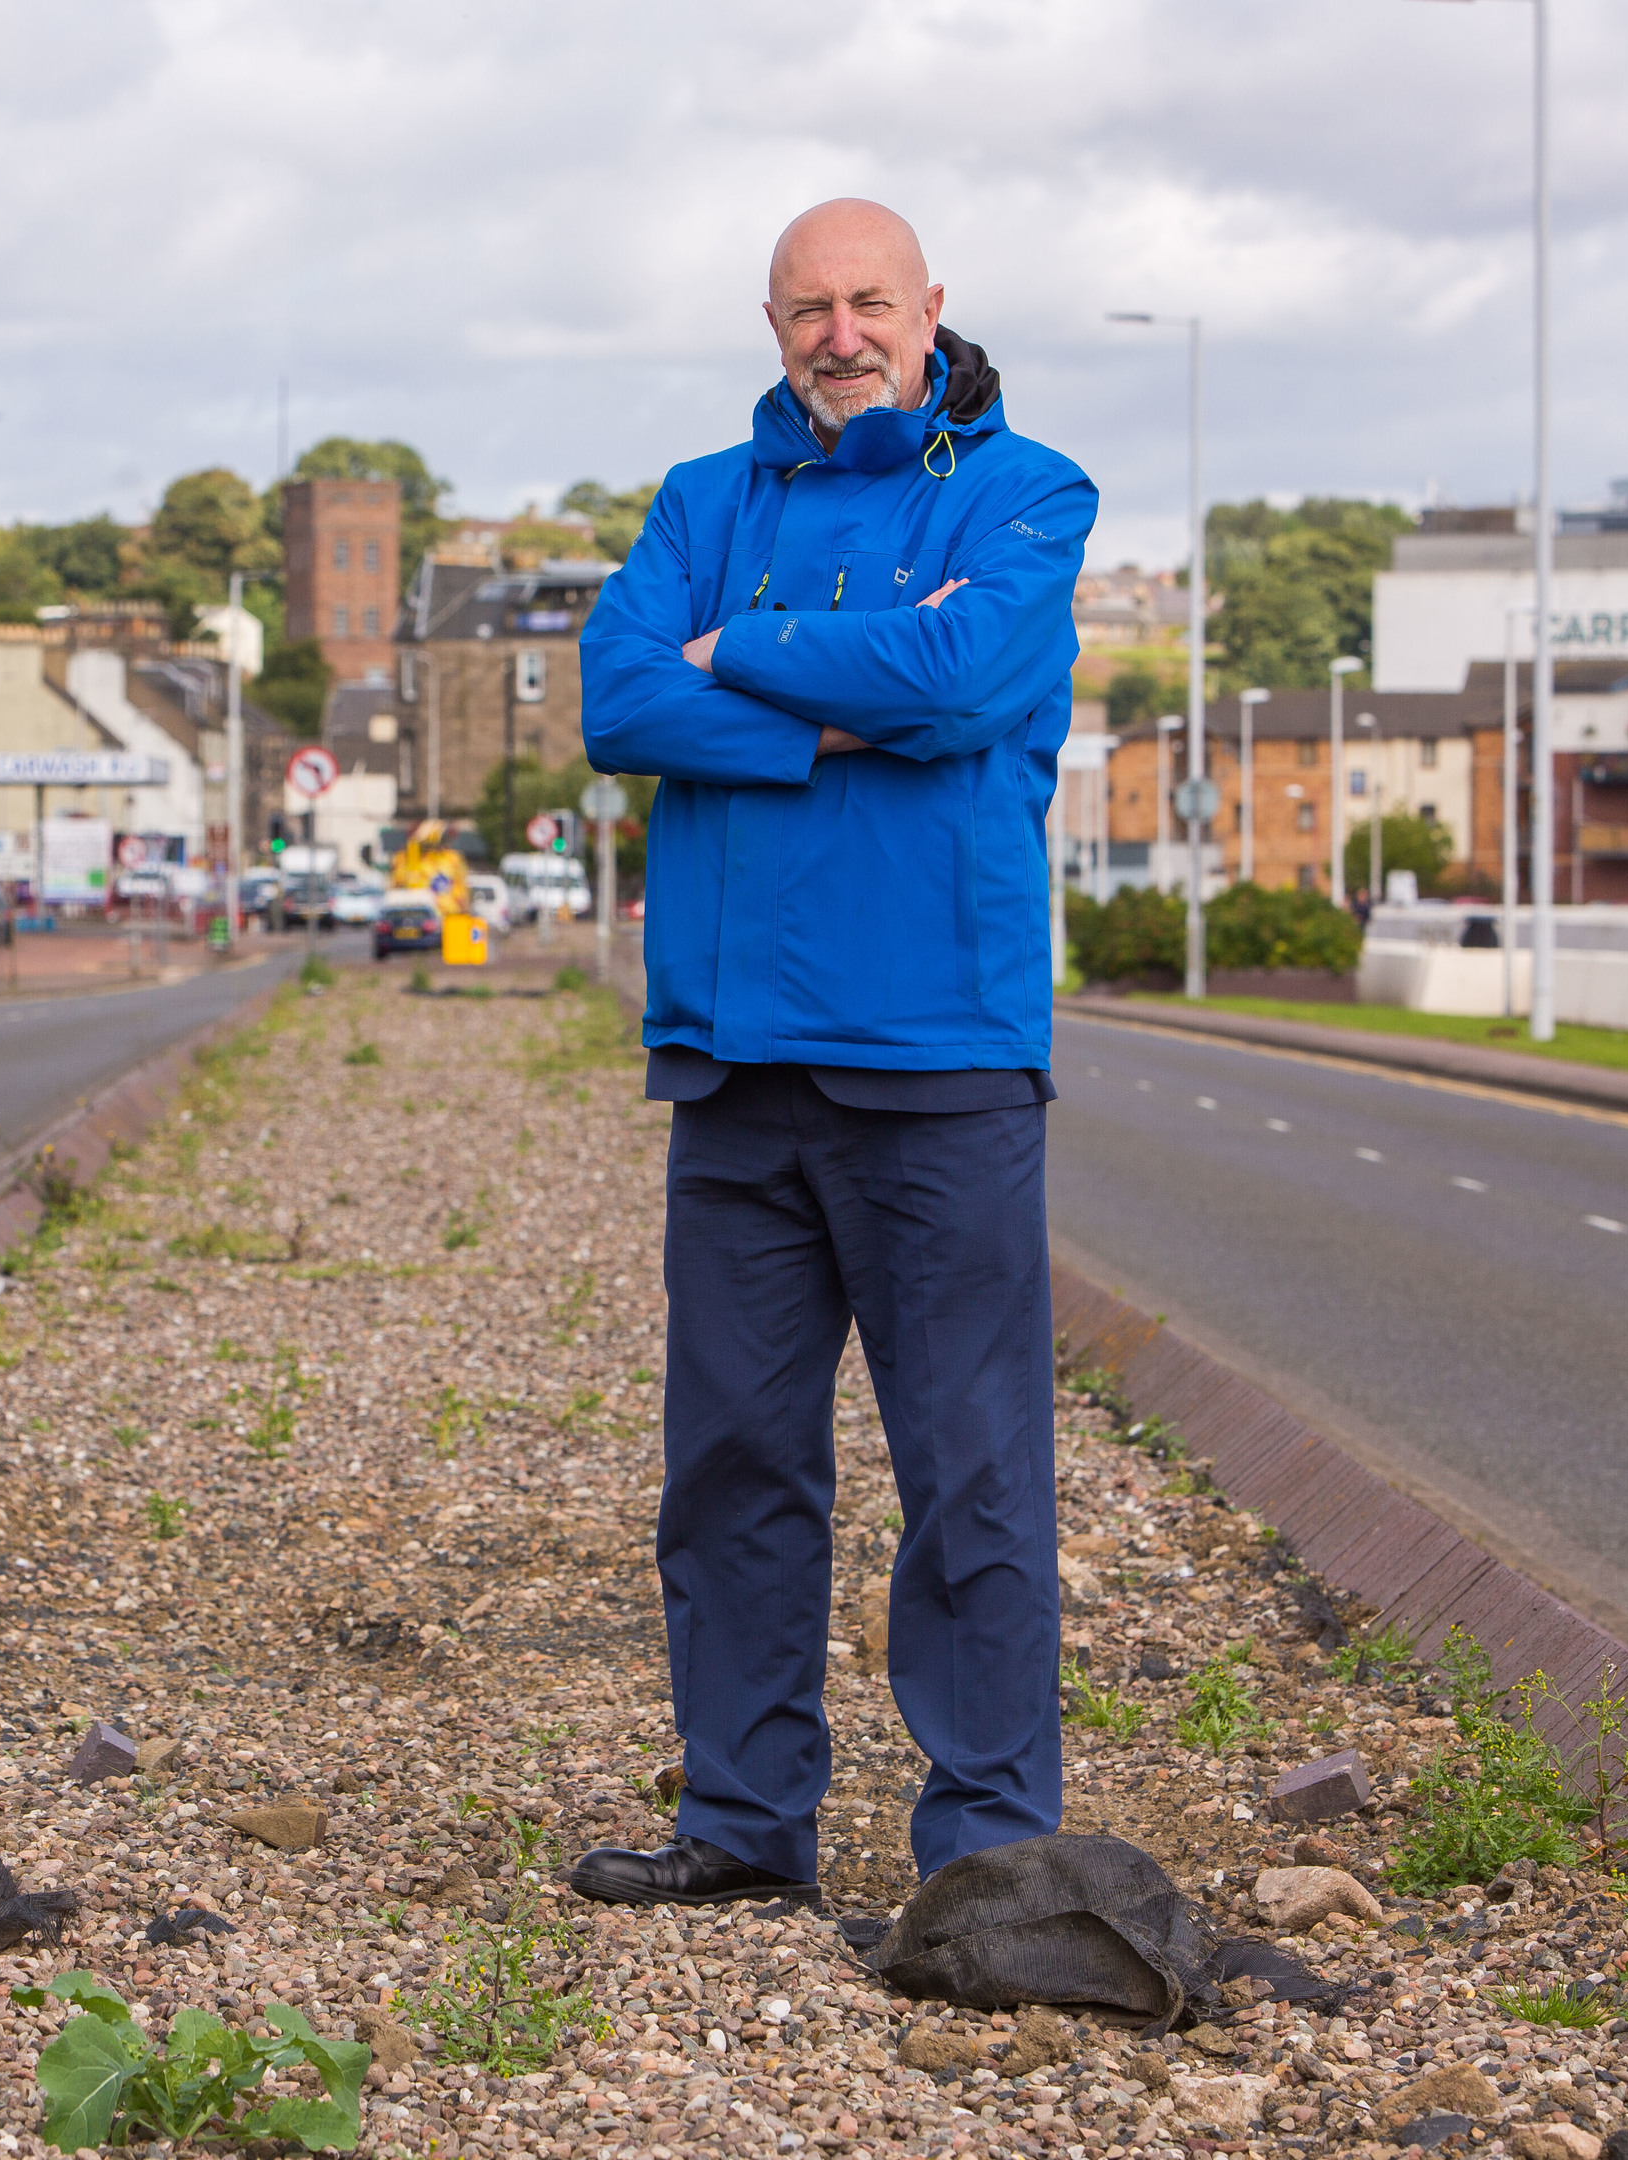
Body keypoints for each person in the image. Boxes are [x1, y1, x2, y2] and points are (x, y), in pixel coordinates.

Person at [567, 199, 1097, 1907]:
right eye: (809, 307)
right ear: (772, 322)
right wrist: (847, 708)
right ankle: (741, 1827)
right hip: (729, 1068)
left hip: (940, 1060)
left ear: (932, 308)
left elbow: (965, 676)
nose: (841, 333)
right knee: (730, 1469)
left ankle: (996, 1853)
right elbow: (618, 704)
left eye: (871, 300)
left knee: (975, 1476)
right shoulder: (697, 501)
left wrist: (749, 659)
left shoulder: (1027, 494)